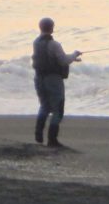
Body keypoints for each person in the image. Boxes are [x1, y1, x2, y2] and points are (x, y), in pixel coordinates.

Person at [32, 17, 82, 147]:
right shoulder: (54, 44)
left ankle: (38, 134)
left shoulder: (36, 42)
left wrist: (71, 58)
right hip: (53, 79)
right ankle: (52, 139)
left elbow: (52, 58)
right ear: (51, 27)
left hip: (39, 78)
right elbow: (63, 61)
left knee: (44, 106)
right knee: (58, 109)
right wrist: (74, 54)